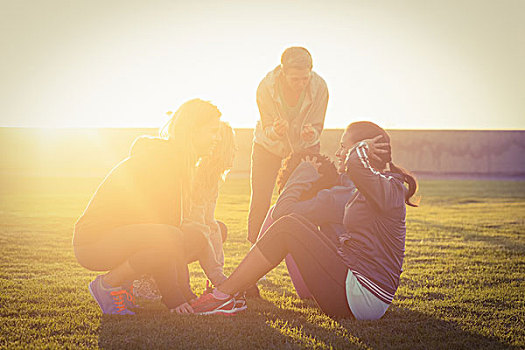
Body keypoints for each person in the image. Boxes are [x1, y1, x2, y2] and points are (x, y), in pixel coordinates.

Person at [190, 121, 418, 320]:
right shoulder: (373, 187)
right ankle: (231, 292)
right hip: (359, 291)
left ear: (364, 151)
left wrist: (360, 148)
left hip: (361, 297)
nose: (340, 153)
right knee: (290, 223)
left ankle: (222, 296)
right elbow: (349, 174)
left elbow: (356, 167)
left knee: (286, 226)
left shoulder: (390, 186)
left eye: (344, 147)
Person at [73, 99, 221, 315]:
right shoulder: (164, 162)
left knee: (194, 236)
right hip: (94, 242)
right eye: (213, 132)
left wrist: (187, 294)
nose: (216, 139)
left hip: (125, 237)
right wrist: (176, 299)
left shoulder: (177, 161)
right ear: (192, 131)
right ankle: (106, 285)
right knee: (171, 236)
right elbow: (166, 235)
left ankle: (123, 285)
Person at [247, 46, 329, 244]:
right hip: (268, 146)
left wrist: (310, 135)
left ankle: (306, 247)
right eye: (295, 79)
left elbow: (318, 125)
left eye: (305, 78)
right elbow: (267, 126)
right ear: (283, 72)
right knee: (261, 198)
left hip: (304, 147)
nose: (301, 84)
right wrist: (276, 131)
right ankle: (255, 249)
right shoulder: (265, 87)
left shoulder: (320, 88)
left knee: (307, 197)